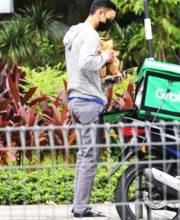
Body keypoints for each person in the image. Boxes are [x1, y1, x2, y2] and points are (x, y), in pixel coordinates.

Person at [63, 0, 120, 218]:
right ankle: (81, 208)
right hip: (87, 103)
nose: (109, 23)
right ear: (100, 12)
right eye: (109, 18)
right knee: (90, 155)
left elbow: (82, 72)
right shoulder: (90, 35)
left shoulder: (75, 34)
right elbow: (86, 63)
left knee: (85, 154)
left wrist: (109, 83)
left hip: (78, 98)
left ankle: (79, 205)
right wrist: (107, 56)